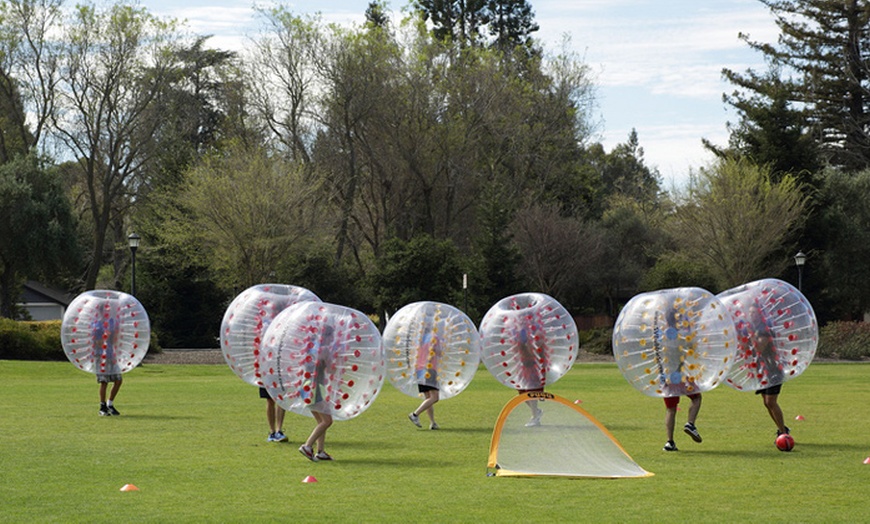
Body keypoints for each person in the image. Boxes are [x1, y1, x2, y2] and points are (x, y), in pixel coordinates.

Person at [299, 324, 336, 462]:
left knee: (321, 421)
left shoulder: (311, 347)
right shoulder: (324, 350)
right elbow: (331, 370)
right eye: (331, 335)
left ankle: (320, 452)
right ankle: (307, 446)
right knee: (327, 421)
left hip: (305, 387)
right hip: (314, 388)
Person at [409, 322, 441, 430]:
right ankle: (415, 414)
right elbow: (436, 352)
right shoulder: (434, 337)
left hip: (419, 370)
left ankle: (433, 423)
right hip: (430, 369)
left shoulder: (419, 339)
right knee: (435, 397)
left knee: (428, 398)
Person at [95, 311, 123, 416]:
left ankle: (109, 404)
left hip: (111, 355)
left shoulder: (112, 323)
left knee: (118, 380)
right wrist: (107, 335)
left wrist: (115, 333)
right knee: (104, 381)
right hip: (100, 355)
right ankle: (102, 407)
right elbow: (99, 342)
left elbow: (115, 339)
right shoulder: (97, 325)